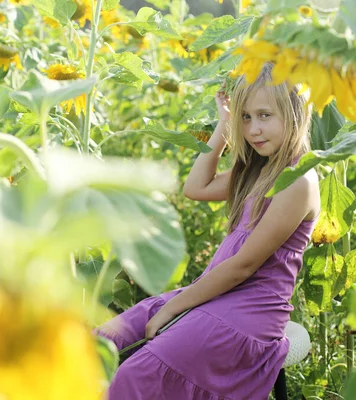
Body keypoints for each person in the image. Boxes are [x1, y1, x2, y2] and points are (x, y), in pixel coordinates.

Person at [95, 62, 321, 400]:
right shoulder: (258, 170)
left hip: (249, 314)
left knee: (136, 373)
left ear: (295, 114)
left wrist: (173, 308)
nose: (254, 129)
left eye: (264, 116)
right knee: (105, 338)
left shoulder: (297, 181)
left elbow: (244, 266)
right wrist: (223, 127)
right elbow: (195, 187)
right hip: (216, 296)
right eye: (245, 117)